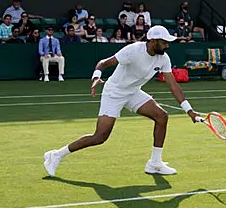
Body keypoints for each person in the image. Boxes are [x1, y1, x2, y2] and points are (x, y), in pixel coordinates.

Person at [43, 25, 200, 177]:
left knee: (162, 116)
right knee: (100, 137)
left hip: (133, 92)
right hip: (114, 92)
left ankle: (155, 163)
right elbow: (103, 63)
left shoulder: (163, 58)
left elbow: (173, 85)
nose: (167, 46)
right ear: (153, 41)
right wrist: (97, 76)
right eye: (164, 42)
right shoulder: (133, 51)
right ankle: (56, 155)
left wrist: (190, 111)